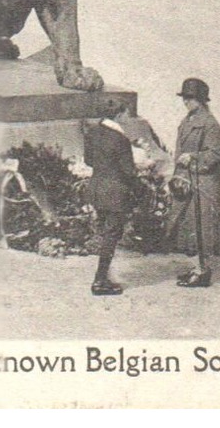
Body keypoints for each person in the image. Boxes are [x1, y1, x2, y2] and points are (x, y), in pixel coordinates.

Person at [169, 77, 220, 288]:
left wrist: (194, 157)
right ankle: (198, 267)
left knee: (204, 227)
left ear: (201, 99)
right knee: (190, 226)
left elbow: (216, 154)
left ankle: (204, 271)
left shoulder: (209, 123)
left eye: (190, 98)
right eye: (184, 97)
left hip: (203, 183)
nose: (186, 101)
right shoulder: (188, 120)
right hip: (188, 181)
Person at [84, 98, 137, 296]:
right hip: (115, 191)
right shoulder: (120, 139)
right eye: (126, 114)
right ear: (120, 114)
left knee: (106, 231)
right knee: (112, 234)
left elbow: (89, 160)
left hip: (97, 188)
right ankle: (100, 279)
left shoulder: (92, 132)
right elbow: (128, 171)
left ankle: (105, 274)